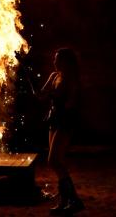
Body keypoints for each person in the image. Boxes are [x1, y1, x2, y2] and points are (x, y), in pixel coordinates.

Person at [39, 48, 85, 215]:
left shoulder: (72, 79)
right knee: (54, 161)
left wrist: (56, 98)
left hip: (66, 121)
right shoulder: (53, 76)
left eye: (58, 59)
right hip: (55, 120)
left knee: (54, 160)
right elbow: (42, 95)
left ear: (66, 61)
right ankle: (65, 201)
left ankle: (74, 200)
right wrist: (42, 94)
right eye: (55, 59)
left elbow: (71, 104)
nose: (55, 62)